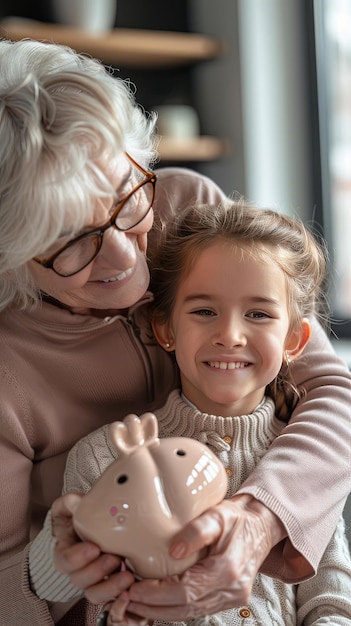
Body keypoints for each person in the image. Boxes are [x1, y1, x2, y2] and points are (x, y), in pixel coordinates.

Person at [0, 37, 350, 626]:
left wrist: (262, 517)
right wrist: (54, 566)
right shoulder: (9, 371)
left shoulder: (186, 210)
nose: (121, 261)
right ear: (11, 256)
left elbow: (331, 392)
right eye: (68, 240)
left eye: (125, 197)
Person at [32, 199, 351, 625]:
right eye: (204, 311)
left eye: (258, 313)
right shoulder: (104, 459)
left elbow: (331, 597)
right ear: (165, 328)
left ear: (295, 340)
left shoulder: (308, 463)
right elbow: (93, 602)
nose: (230, 335)